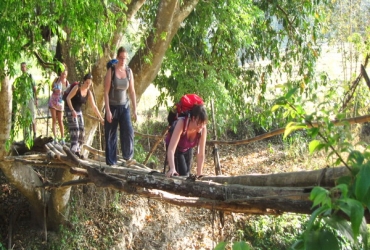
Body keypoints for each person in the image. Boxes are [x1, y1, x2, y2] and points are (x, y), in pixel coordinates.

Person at [104, 46, 137, 166]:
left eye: (125, 58)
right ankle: (111, 162)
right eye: (121, 58)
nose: (123, 60)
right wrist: (108, 110)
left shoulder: (129, 71)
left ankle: (128, 157)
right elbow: (106, 92)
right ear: (117, 57)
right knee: (111, 134)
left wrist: (135, 109)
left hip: (125, 106)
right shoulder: (111, 71)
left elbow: (132, 91)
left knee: (128, 131)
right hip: (112, 106)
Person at [65, 73, 104, 158]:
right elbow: (68, 98)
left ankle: (78, 150)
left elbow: (94, 107)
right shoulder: (77, 88)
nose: (88, 85)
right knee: (75, 129)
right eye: (87, 83)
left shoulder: (89, 93)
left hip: (78, 111)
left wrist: (101, 118)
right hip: (70, 109)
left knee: (82, 131)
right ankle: (73, 150)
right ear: (84, 81)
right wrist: (72, 110)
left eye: (89, 83)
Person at [165, 104, 208, 177]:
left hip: (187, 148)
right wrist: (172, 168)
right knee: (182, 175)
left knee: (187, 175)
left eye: (203, 124)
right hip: (176, 149)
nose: (201, 127)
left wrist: (199, 173)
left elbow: (201, 154)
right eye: (199, 123)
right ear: (193, 118)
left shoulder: (203, 129)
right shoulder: (182, 123)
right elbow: (171, 150)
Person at [12, 62, 38, 139]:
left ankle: (35, 134)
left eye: (24, 67)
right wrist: (14, 89)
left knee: (33, 116)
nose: (23, 68)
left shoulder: (30, 77)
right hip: (23, 100)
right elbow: (18, 90)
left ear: (26, 68)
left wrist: (36, 99)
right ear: (20, 68)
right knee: (24, 117)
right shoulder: (19, 79)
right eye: (22, 67)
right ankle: (26, 135)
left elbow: (34, 89)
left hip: (30, 99)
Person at [49, 67, 69, 144]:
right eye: (63, 73)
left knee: (60, 120)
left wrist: (64, 93)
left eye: (65, 74)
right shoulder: (57, 80)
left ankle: (62, 138)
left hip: (60, 103)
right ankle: (55, 137)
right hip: (53, 101)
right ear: (61, 73)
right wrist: (55, 90)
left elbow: (68, 93)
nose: (64, 75)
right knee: (54, 119)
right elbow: (52, 88)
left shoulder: (67, 83)